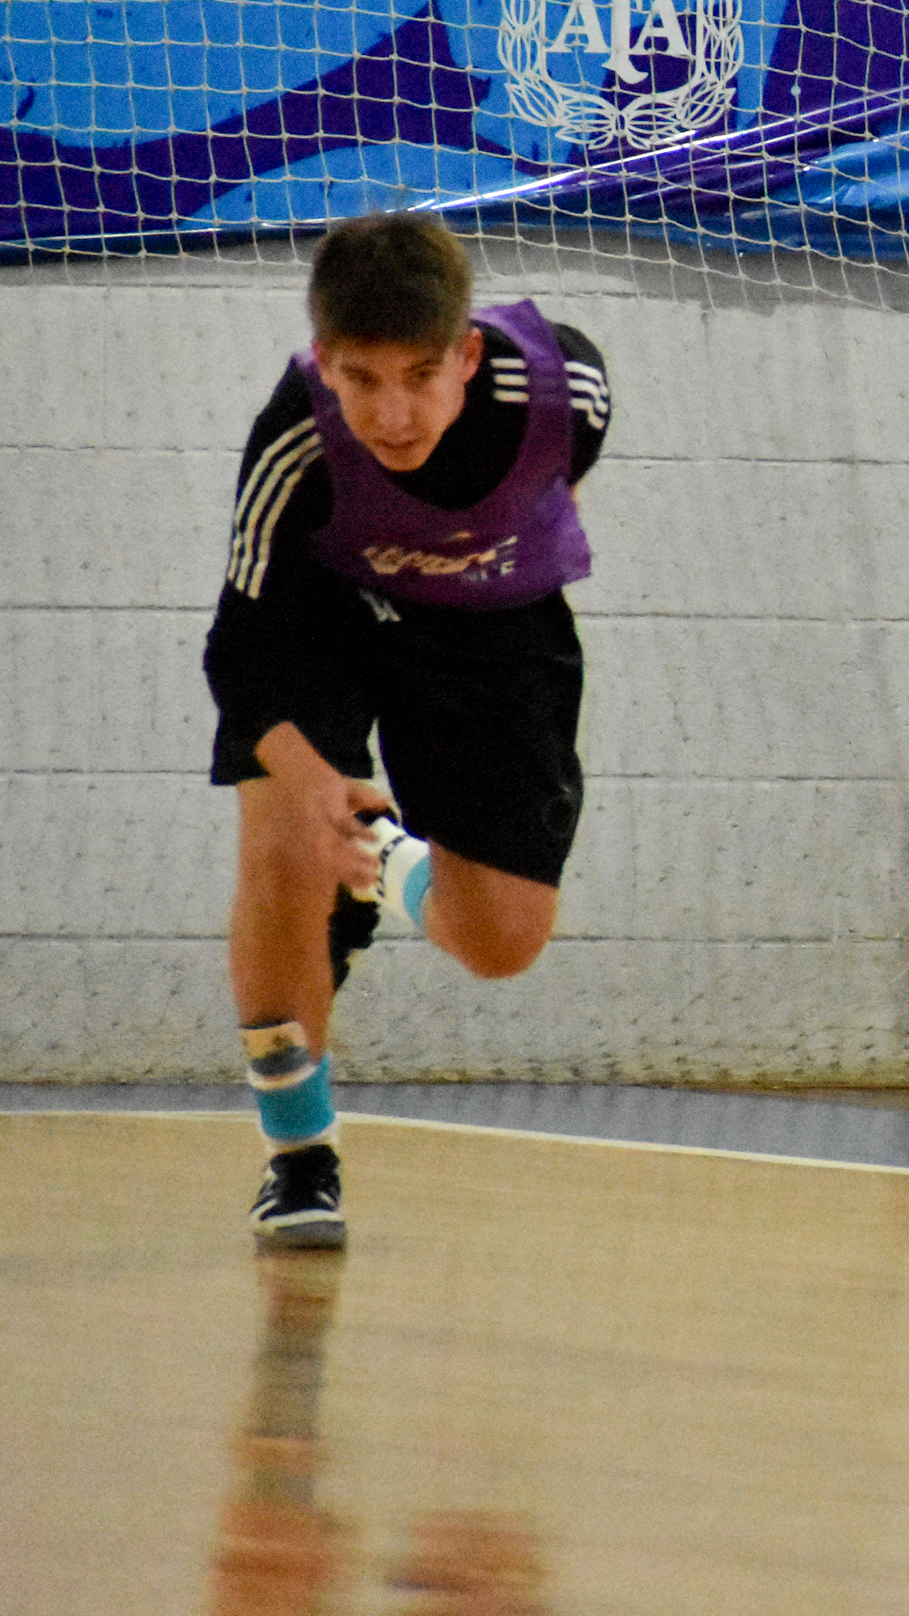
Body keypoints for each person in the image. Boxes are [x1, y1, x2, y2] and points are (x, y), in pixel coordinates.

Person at [204, 212, 610, 1246]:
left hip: (485, 612)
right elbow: (241, 655)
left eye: (421, 375)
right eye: (362, 377)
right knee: (288, 845)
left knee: (502, 938)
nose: (392, 411)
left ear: (468, 355)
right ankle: (300, 1156)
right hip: (321, 616)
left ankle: (383, 863)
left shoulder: (569, 394)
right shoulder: (295, 441)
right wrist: (310, 782)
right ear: (322, 360)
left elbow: (543, 487)